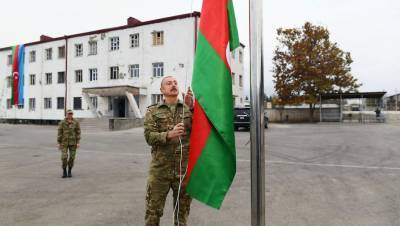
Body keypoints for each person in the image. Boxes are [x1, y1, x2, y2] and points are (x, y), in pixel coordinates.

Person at [144, 76, 194, 226]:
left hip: (183, 171)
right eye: (169, 83)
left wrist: (192, 107)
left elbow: (201, 132)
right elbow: (149, 137)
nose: (173, 85)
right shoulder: (153, 111)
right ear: (162, 90)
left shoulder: (188, 109)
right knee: (153, 214)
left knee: (182, 215)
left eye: (175, 83)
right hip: (160, 171)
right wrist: (168, 134)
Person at [57, 109, 81, 178]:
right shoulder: (62, 122)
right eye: (69, 114)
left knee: (72, 157)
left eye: (71, 114)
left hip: (73, 143)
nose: (70, 115)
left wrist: (78, 142)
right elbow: (59, 133)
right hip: (64, 143)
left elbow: (78, 132)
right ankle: (64, 171)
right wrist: (59, 143)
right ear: (66, 115)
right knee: (64, 157)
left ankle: (69, 171)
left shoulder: (76, 122)